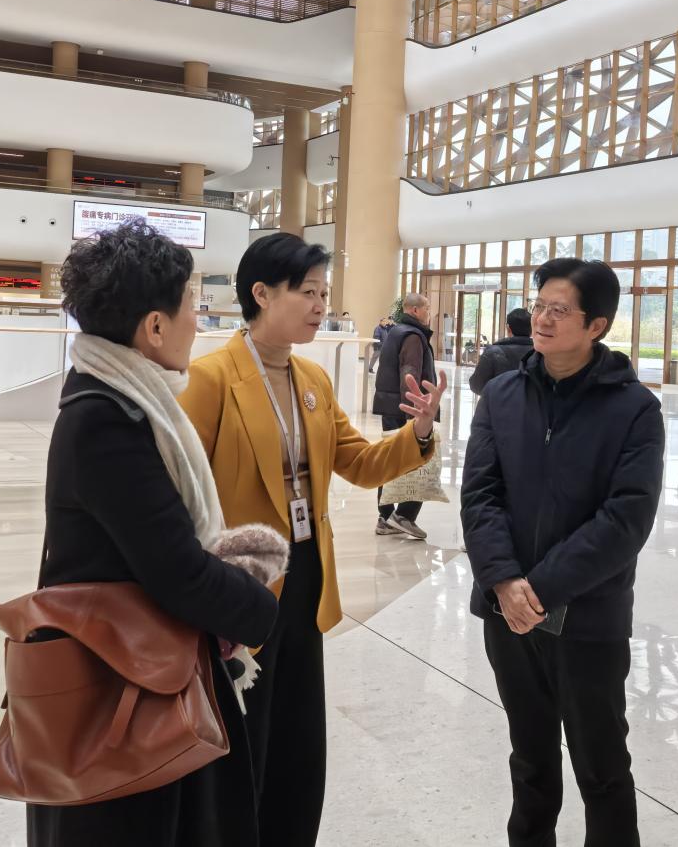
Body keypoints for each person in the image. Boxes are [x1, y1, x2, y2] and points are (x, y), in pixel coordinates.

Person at [180, 233, 446, 847]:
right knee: (243, 732)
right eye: (307, 291)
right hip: (240, 585)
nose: (321, 304)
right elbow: (184, 495)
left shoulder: (312, 379)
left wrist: (418, 433)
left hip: (305, 578)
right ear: (260, 293)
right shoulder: (209, 379)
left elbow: (360, 464)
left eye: (324, 292)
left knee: (298, 737)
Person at [30, 221, 281, 846]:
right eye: (192, 305)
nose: (199, 320)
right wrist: (260, 606)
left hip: (137, 679)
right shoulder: (107, 420)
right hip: (121, 701)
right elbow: (177, 571)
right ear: (155, 328)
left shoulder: (121, 399)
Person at [462, 258, 665, 847]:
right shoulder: (502, 394)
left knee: (602, 766)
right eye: (539, 306)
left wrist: (540, 589)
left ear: (596, 325)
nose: (542, 320)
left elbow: (626, 518)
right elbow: (480, 495)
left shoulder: (634, 409)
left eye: (559, 310)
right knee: (530, 759)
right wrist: (505, 582)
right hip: (507, 616)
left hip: (588, 618)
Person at [373, 292, 438, 540]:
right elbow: (409, 375)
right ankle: (404, 515)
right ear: (415, 310)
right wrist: (414, 413)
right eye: (427, 308)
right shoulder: (413, 336)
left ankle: (385, 516)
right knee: (420, 459)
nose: (429, 312)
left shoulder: (397, 331)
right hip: (406, 409)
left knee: (391, 459)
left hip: (391, 407)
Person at [469, 307, 534, 395]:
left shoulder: (492, 352)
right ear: (532, 328)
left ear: (508, 328)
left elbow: (476, 385)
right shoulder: (541, 353)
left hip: (498, 402)